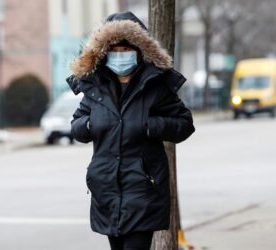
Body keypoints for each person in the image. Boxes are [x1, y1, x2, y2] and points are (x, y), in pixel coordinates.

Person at [66, 11, 195, 250]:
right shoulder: (96, 87)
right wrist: (90, 125)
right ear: (104, 54)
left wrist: (149, 126)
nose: (120, 56)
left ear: (139, 51)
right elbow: (76, 126)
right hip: (106, 189)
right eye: (115, 51)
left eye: (126, 51)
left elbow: (185, 124)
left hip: (143, 188)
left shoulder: (155, 84)